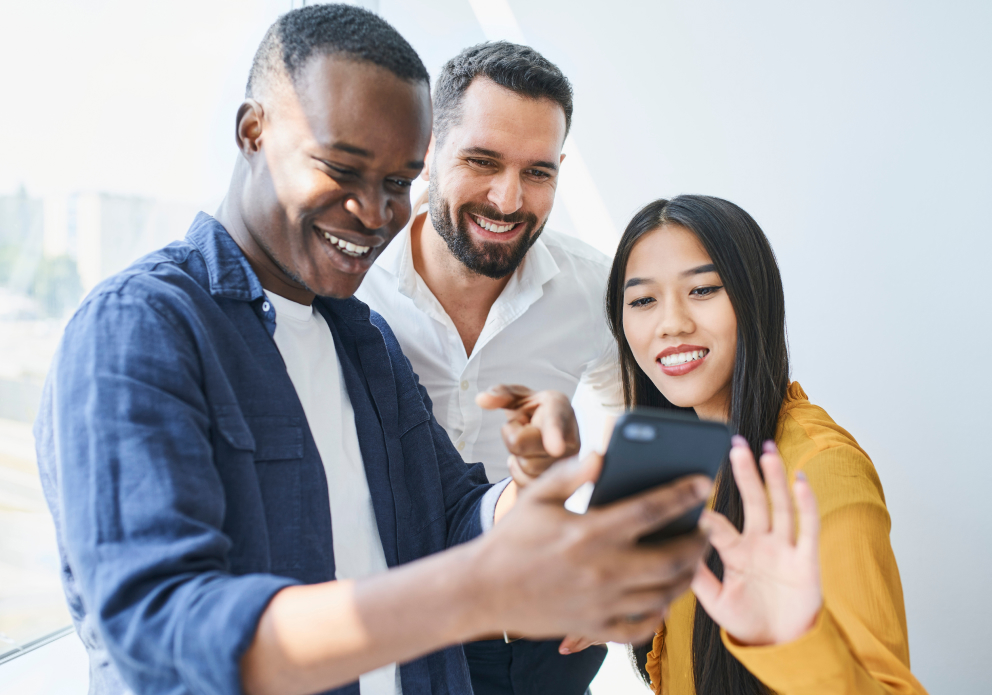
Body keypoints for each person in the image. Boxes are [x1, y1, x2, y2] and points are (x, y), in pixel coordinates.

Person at [34, 6, 714, 695]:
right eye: (342, 168)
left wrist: (529, 496)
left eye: (396, 182)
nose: (375, 212)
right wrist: (471, 591)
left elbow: (451, 514)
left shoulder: (361, 339)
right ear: (253, 133)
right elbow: (161, 626)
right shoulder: (141, 325)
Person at [355, 41, 618, 695]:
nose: (508, 198)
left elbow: (649, 409)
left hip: (537, 639)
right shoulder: (353, 284)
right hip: (389, 633)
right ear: (426, 152)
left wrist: (621, 552)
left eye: (538, 172)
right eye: (482, 160)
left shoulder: (592, 287)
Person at [602, 195, 929, 694]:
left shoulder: (820, 470)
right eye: (643, 300)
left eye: (703, 289)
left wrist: (791, 641)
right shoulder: (673, 464)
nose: (671, 323)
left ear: (755, 297)